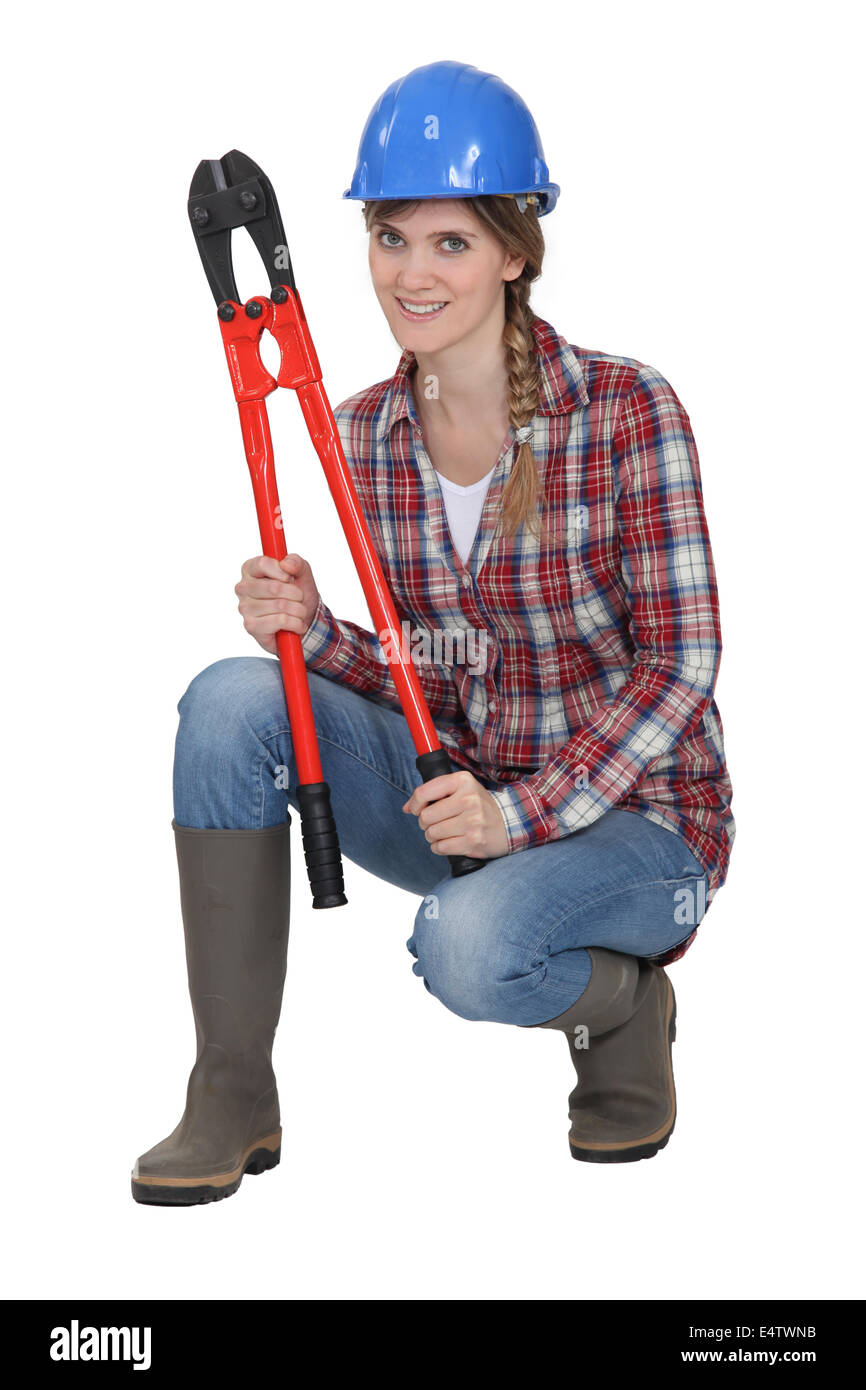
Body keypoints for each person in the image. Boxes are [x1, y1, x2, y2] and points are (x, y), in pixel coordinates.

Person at [131, 60, 735, 1205]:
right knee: (230, 698)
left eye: (451, 243)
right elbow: (435, 664)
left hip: (633, 824)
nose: (413, 273)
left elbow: (681, 663)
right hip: (460, 801)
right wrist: (316, 632)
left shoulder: (622, 411)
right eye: (390, 237)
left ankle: (625, 1007)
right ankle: (230, 1090)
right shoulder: (360, 433)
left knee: (465, 948)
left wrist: (522, 815)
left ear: (515, 250)